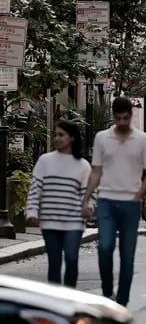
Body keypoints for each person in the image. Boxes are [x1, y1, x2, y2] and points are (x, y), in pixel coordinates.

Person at [83, 97, 146, 306]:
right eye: (118, 118)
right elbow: (96, 170)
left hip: (131, 203)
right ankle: (107, 293)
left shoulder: (143, 140)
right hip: (106, 200)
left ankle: (122, 300)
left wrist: (138, 195)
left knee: (127, 254)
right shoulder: (101, 138)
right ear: (113, 117)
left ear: (131, 116)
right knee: (104, 247)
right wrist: (87, 197)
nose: (122, 122)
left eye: (125, 118)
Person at [26, 119, 91, 288]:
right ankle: (55, 301)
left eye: (61, 135)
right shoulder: (44, 161)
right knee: (54, 263)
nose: (57, 138)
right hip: (50, 221)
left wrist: (88, 206)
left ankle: (70, 296)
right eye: (55, 135)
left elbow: (88, 192)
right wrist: (32, 210)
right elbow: (36, 187)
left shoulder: (83, 166)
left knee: (71, 258)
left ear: (72, 138)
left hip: (74, 222)